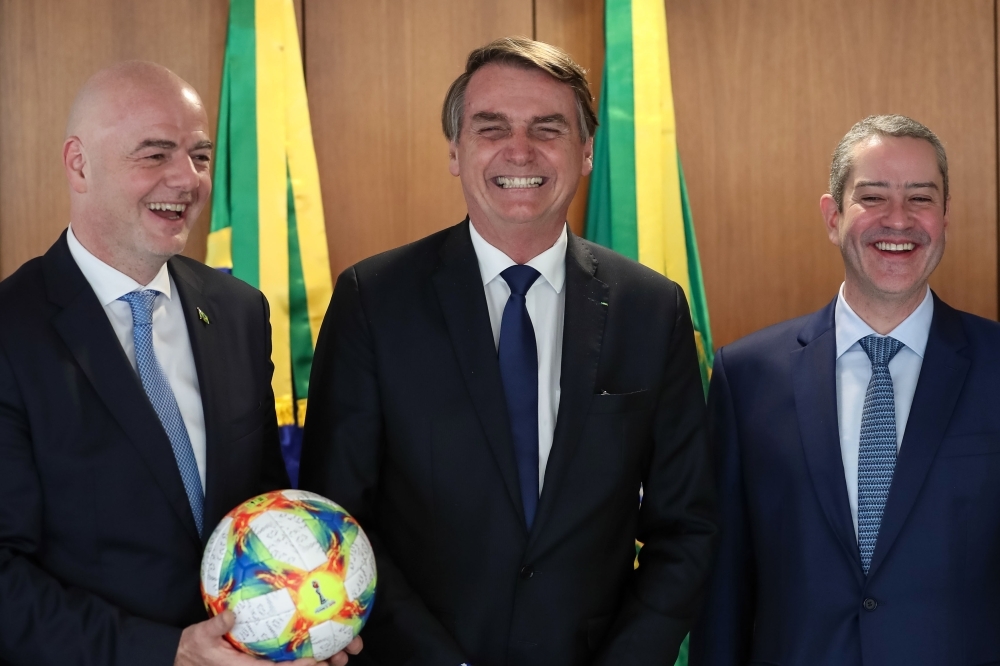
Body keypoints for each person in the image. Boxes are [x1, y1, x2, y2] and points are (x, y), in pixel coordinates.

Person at [299, 37, 717, 666]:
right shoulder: (372, 300)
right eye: (491, 128)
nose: (519, 151)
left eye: (547, 129)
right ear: (455, 150)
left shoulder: (652, 308)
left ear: (585, 153)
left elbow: (686, 526)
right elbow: (340, 520)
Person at [0, 62, 360, 666]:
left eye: (199, 155)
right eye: (155, 154)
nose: (187, 179)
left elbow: (264, 514)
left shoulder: (240, 311)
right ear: (79, 164)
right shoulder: (12, 332)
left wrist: (309, 619)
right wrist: (171, 652)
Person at [689, 115, 1000, 665]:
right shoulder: (746, 375)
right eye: (873, 197)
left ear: (946, 216)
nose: (898, 221)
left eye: (920, 199)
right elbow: (724, 585)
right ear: (833, 217)